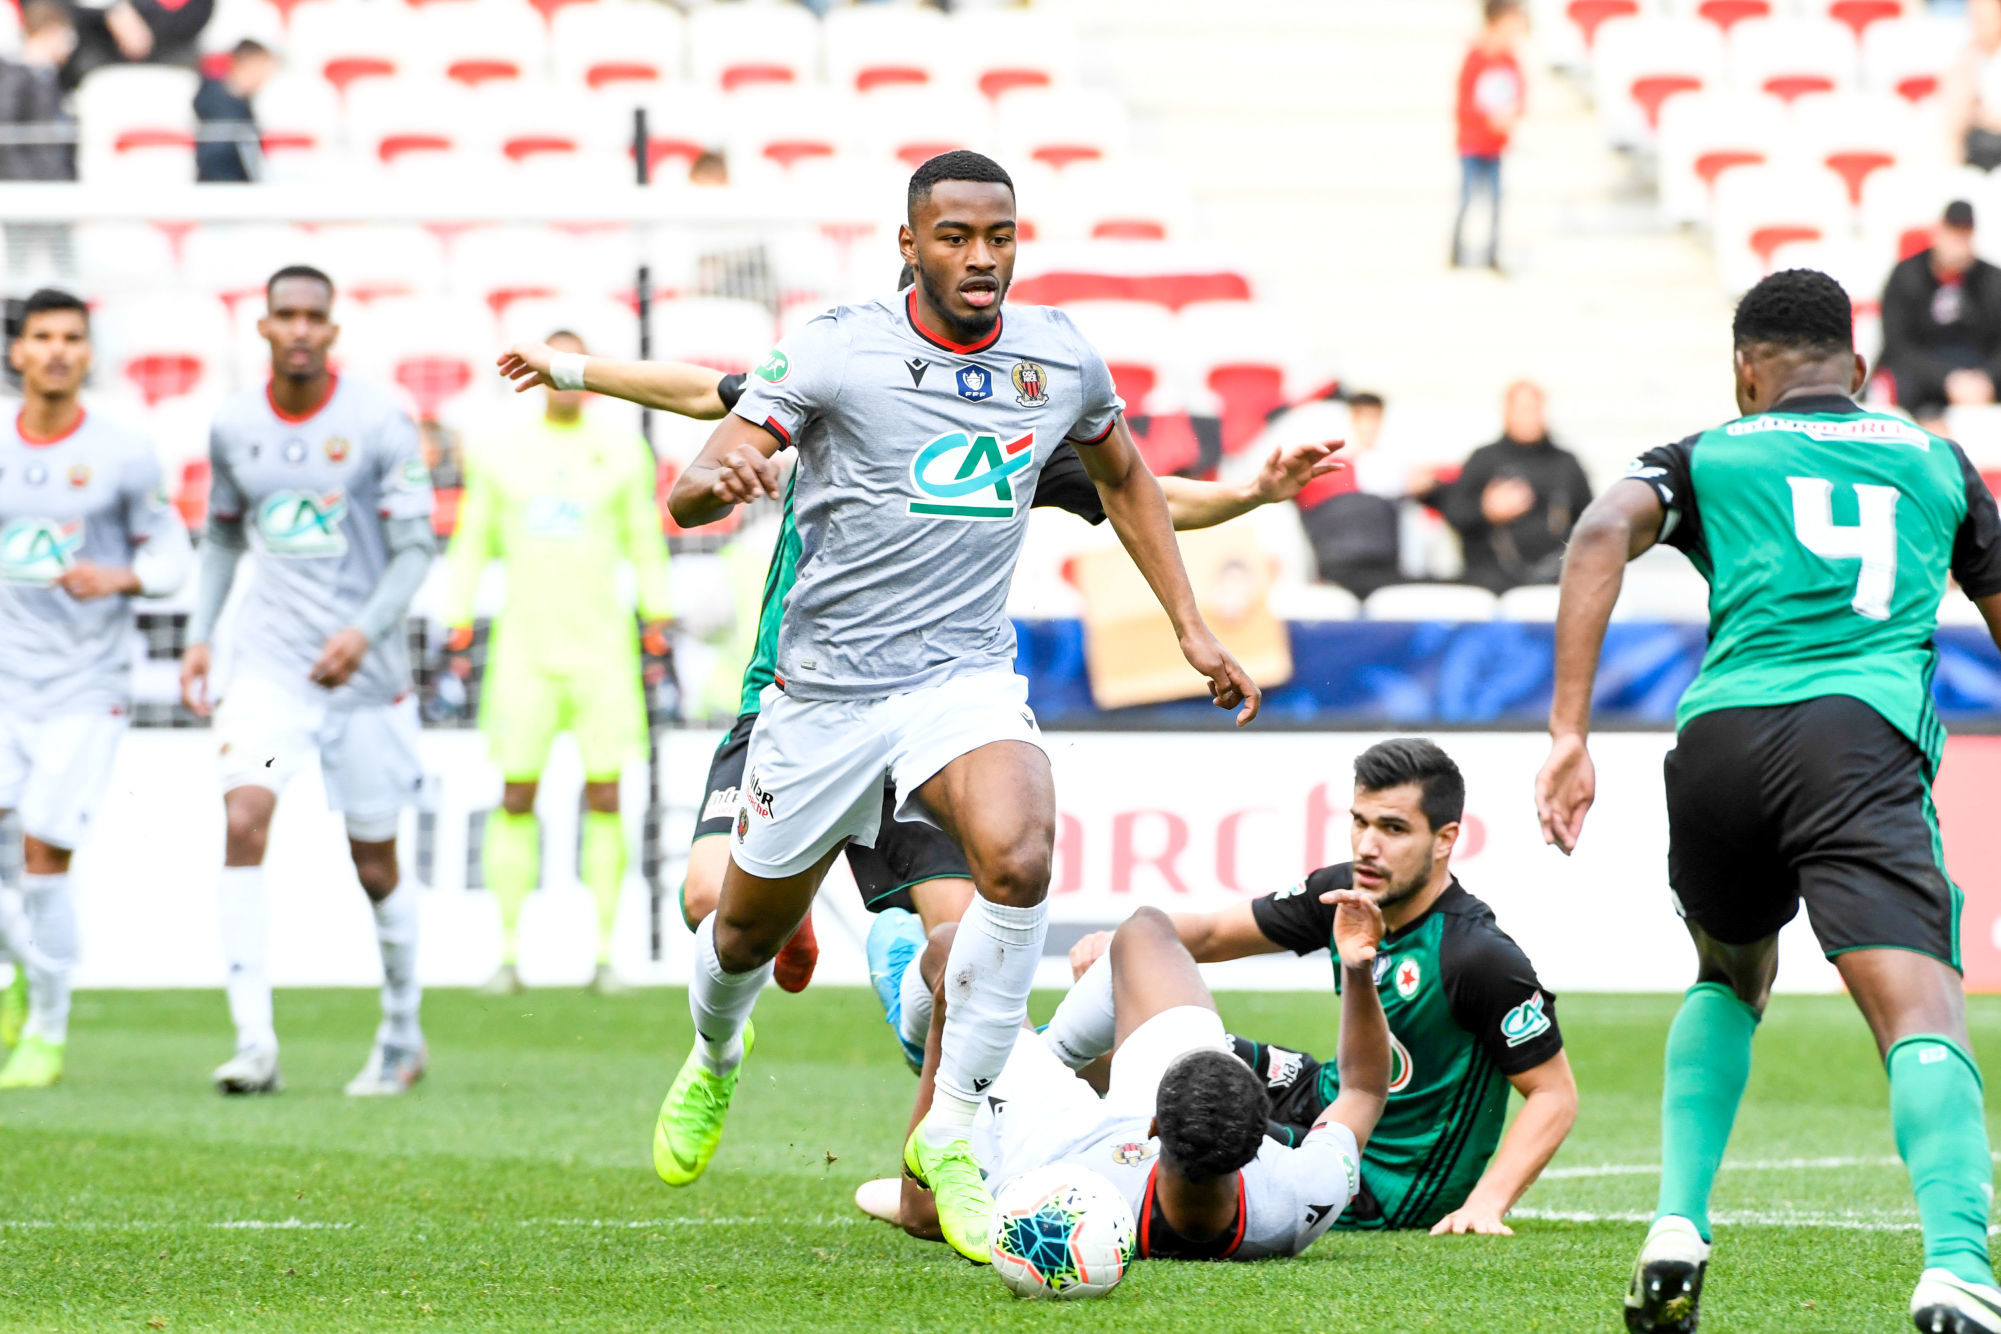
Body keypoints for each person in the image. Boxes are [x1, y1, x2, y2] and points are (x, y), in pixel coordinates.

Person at [643, 149, 1259, 1264]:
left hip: (960, 678)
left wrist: (1191, 626)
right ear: (910, 245)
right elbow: (698, 473)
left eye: (1001, 238)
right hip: (822, 694)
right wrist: (714, 482)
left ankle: (955, 1132)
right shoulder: (839, 345)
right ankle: (717, 1054)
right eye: (957, 237)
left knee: (1019, 855)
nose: (982, 258)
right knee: (741, 930)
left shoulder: (1058, 356)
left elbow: (1125, 478)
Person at [498, 302, 1340, 1055]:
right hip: (797, 699)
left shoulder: (1003, 441)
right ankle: (778, 943)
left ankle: (945, 1098)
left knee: (960, 955)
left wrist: (1251, 494)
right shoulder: (835, 396)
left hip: (934, 708)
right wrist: (572, 369)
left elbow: (1141, 493)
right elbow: (704, 394)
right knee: (709, 901)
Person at [1535, 268, 2001, 1334]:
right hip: (1860, 737)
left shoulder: (1709, 451)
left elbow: (1601, 529)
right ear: (1864, 369)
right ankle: (1959, 1264)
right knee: (1921, 1010)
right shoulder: (1939, 462)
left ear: (1746, 371)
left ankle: (1675, 1225)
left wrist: (1569, 733)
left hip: (1721, 740)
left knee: (1730, 970)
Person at [1065, 738, 1575, 1235]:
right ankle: (1022, 1100)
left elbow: (1553, 1094)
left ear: (1445, 839)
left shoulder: (1476, 956)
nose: (1368, 847)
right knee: (1155, 1054)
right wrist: (1122, 945)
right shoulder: (1343, 892)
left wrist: (1486, 1205)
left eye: (1393, 829)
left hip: (1378, 1175)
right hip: (1321, 1091)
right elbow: (1214, 932)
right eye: (1360, 822)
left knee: (1196, 1113)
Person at [180, 265, 437, 1099]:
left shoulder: (378, 422)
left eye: (312, 317)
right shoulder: (233, 424)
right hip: (268, 673)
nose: (297, 329)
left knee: (375, 865)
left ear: (332, 330)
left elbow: (415, 551)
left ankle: (401, 1033)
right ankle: (254, 1041)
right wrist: (198, 635)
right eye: (283, 315)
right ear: (261, 326)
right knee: (244, 814)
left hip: (366, 681)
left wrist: (362, 631)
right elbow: (221, 537)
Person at [876, 899, 1388, 1261]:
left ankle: (996, 1051)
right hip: (1136, 1134)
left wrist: (950, 1020)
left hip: (1055, 1133)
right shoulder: (1298, 1196)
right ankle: (1037, 1052)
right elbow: (1362, 1089)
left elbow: (920, 1211)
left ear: (1152, 1128)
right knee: (1144, 930)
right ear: (1260, 1138)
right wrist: (1358, 969)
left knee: (954, 951)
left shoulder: (1057, 1199)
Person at [0, 288, 191, 1089]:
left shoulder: (123, 452)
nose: (55, 351)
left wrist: (124, 575)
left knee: (45, 845)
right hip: (5, 677)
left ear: (87, 353)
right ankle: (25, 977)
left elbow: (171, 554)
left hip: (86, 682)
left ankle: (47, 1024)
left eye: (70, 338)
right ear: (17, 352)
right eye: (41, 336)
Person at [444, 330, 674, 994]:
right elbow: (470, 541)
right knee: (516, 795)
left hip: (602, 654)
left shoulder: (623, 452)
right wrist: (457, 618)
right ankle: (508, 952)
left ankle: (604, 954)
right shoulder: (499, 450)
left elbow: (643, 539)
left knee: (605, 795)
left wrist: (657, 618)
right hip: (524, 655)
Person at [1442, 379, 1592, 592]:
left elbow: (1588, 523)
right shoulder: (1484, 459)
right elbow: (1455, 514)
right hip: (1490, 579)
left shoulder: (1565, 463)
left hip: (1553, 579)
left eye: (1534, 409)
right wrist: (1487, 511)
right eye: (1522, 409)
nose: (1529, 417)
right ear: (1506, 412)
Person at [1876, 201, 2001, 432]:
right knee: (1904, 380)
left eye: (1964, 235)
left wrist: (1987, 379)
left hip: (1980, 371)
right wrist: (1946, 379)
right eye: (1952, 233)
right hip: (1924, 377)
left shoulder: (1992, 280)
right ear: (1938, 232)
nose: (1957, 243)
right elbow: (1897, 345)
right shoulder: (1905, 276)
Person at [1295, 391, 1406, 597]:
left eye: (1375, 418)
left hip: (1383, 564)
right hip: (1337, 564)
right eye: (1363, 417)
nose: (1369, 426)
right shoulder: (1329, 467)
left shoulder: (1392, 465)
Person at [1452, 0, 1526, 271]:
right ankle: (1456, 250)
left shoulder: (1510, 61)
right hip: (1472, 143)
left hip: (1496, 146)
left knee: (1496, 201)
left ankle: (1492, 252)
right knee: (1467, 198)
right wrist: (1487, 122)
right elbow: (1464, 102)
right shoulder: (1476, 57)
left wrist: (1511, 116)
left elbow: (1520, 95)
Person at [60, 0, 214, 91]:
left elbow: (190, 24)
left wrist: (142, 35)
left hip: (166, 60)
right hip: (100, 54)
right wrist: (114, 10)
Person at [0, 2, 76, 183]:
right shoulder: (15, 78)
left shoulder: (48, 77)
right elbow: (9, 137)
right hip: (28, 192)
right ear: (50, 31)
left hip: (50, 185)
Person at [193, 38, 274, 184]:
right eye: (264, 68)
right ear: (250, 64)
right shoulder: (215, 100)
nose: (266, 77)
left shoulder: (244, 102)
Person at [1947, 0, 2001, 171]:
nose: (1977, 23)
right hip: (1978, 148)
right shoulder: (1968, 58)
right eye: (1974, 16)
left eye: (1983, 17)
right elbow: (1956, 116)